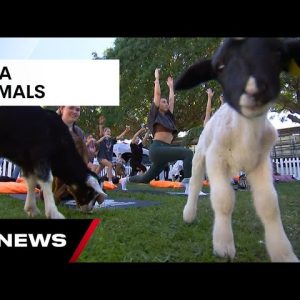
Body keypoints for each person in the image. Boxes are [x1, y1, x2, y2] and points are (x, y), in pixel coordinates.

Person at [120, 68, 194, 192]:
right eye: (163, 102)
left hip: (165, 150)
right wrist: (157, 79)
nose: (166, 103)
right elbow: (158, 95)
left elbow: (171, 101)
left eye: (166, 102)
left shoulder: (169, 117)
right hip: (157, 149)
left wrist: (171, 87)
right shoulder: (154, 114)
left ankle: (125, 180)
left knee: (145, 178)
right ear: (158, 104)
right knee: (188, 153)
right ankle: (189, 186)